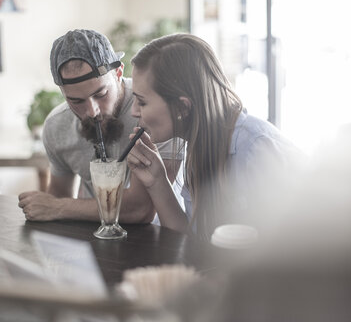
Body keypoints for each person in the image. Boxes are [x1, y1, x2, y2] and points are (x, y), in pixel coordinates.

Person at [127, 33, 301, 239]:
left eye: (142, 102)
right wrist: (157, 181)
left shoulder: (256, 149)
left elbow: (283, 251)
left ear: (182, 107)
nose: (133, 112)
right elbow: (194, 241)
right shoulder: (200, 144)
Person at [18, 29, 182, 223]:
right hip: (93, 238)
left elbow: (141, 210)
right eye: (76, 101)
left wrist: (59, 207)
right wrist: (52, 206)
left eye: (101, 94)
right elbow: (57, 199)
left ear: (118, 73)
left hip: (158, 240)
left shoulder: (152, 111)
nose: (92, 111)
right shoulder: (57, 125)